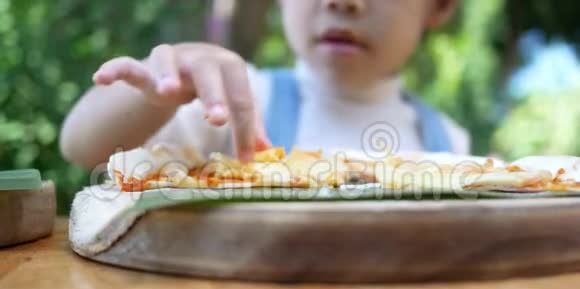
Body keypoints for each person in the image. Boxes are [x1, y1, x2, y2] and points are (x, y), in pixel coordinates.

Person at [60, 0, 469, 169]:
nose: (344, 2)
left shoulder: (449, 145)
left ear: (440, 7)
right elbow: (82, 148)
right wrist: (160, 87)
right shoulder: (236, 103)